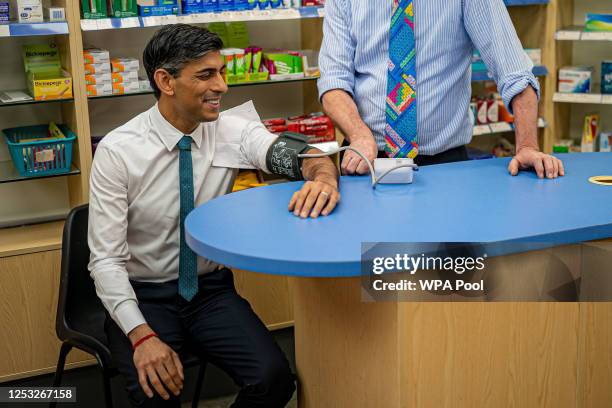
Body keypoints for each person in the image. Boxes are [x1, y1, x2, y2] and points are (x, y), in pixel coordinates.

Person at [88, 24, 339, 407]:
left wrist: (323, 178)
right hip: (145, 297)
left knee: (273, 380)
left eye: (221, 72)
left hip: (209, 293)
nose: (221, 86)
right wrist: (141, 336)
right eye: (206, 75)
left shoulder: (233, 131)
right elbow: (105, 260)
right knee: (155, 395)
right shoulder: (119, 151)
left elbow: (306, 157)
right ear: (165, 81)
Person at [318, 0, 565, 179]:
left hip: (444, 167)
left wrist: (527, 147)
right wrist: (360, 135)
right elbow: (333, 83)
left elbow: (515, 73)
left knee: (449, 251)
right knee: (368, 249)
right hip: (364, 162)